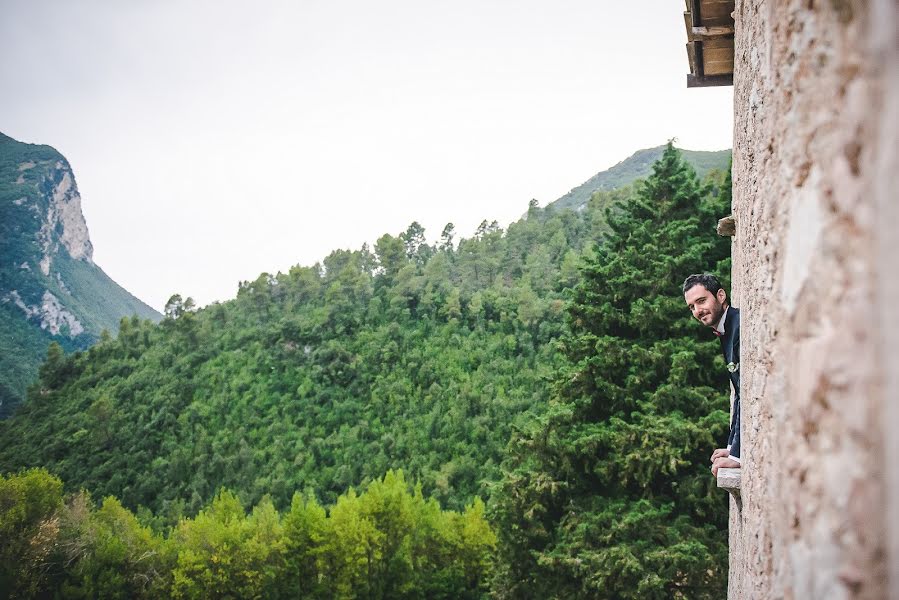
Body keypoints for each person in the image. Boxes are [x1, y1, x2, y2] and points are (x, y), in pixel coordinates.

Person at [683, 274, 741, 477]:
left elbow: (748, 395)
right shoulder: (726, 329)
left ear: (721, 295)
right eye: (692, 307)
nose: (698, 311)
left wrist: (737, 457)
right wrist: (731, 447)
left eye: (701, 301)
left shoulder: (739, 326)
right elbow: (739, 396)